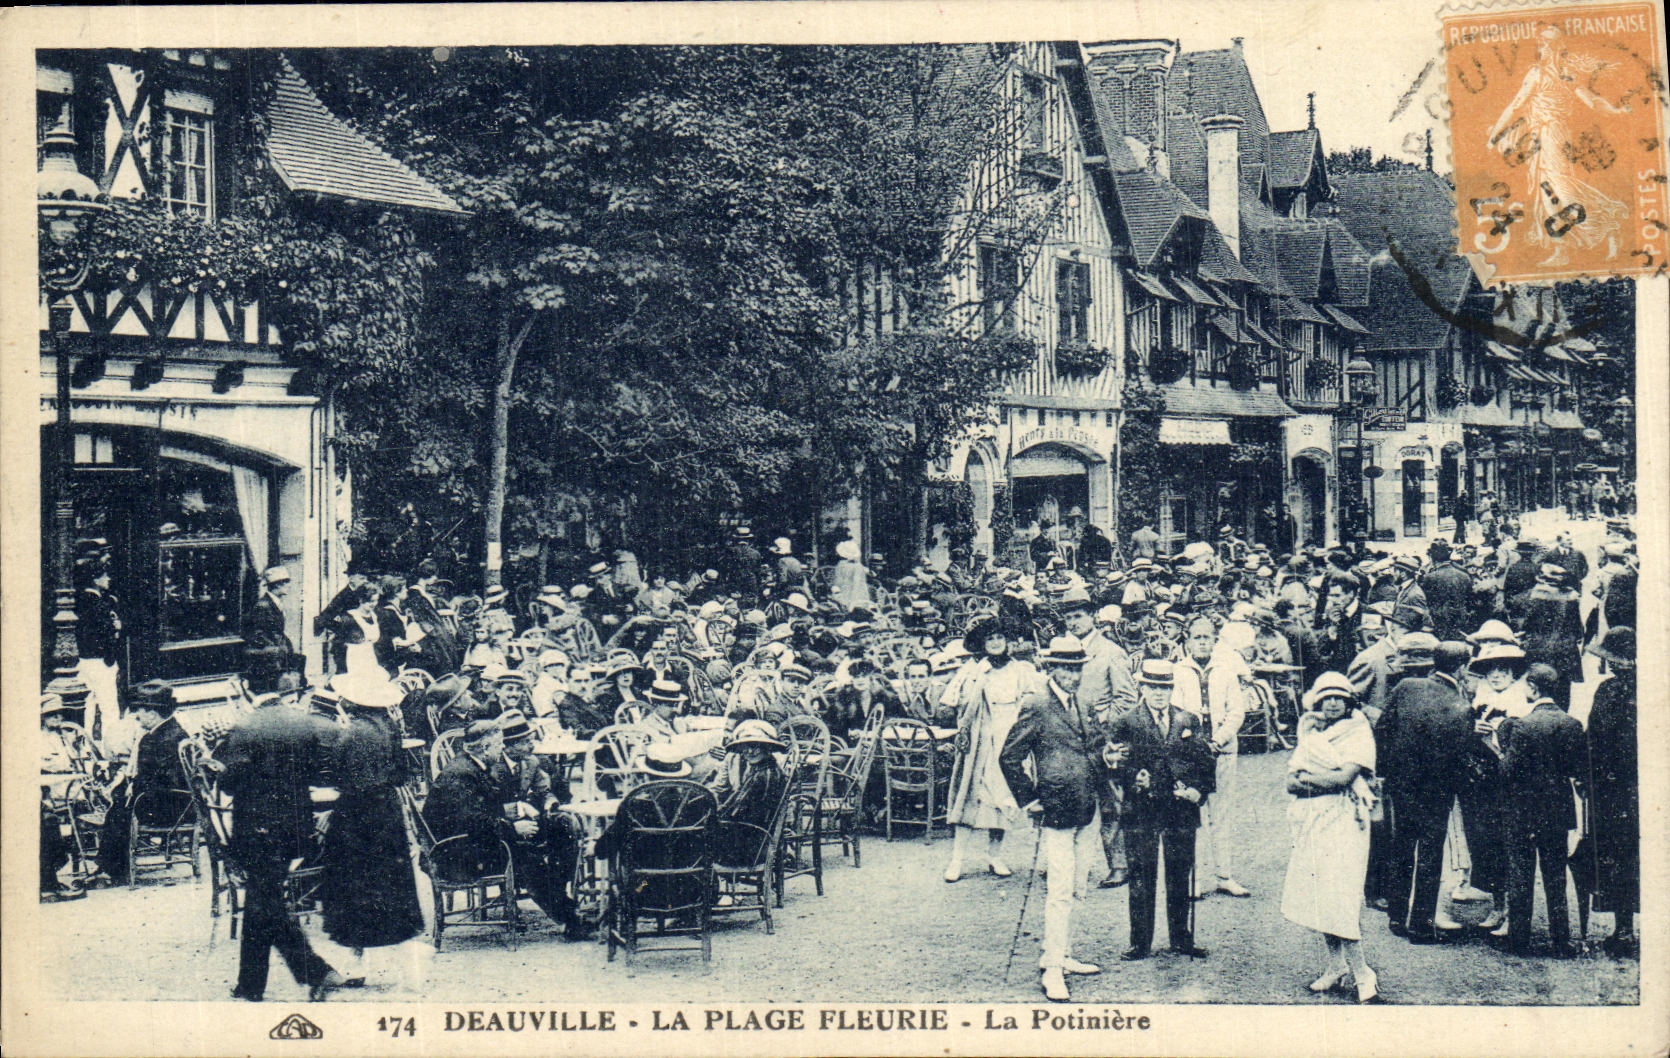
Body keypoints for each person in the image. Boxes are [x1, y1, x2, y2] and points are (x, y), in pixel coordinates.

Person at [218, 677, 353, 1002]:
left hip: (257, 830)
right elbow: (319, 768)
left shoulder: (245, 727)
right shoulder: (302, 721)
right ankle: (250, 985)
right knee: (261, 901)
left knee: (267, 903)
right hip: (294, 826)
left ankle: (317, 971)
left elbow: (229, 784)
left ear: (249, 690)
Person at [998, 636, 1106, 1002]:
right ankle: (1053, 970)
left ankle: (1061, 952)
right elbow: (1009, 758)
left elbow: (1093, 748)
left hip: (1087, 806)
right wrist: (1030, 801)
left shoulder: (1083, 702)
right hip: (1056, 810)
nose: (1073, 676)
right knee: (1059, 890)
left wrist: (1108, 759)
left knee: (1078, 885)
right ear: (1051, 668)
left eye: (1077, 669)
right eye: (1066, 669)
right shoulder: (1037, 704)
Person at [320, 673, 428, 990]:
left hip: (356, 816)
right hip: (387, 813)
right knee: (390, 886)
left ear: (353, 701)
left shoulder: (351, 732)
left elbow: (337, 774)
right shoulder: (389, 728)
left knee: (351, 886)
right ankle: (405, 959)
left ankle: (356, 962)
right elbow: (401, 772)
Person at [1281, 672, 1382, 1004]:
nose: (1333, 703)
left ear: (1349, 701)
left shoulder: (1359, 731)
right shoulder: (1310, 733)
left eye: (1339, 697)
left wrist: (1312, 778)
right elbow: (1291, 782)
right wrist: (1319, 779)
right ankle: (1336, 965)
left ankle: (1364, 972)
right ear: (1318, 702)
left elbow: (1345, 777)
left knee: (1341, 896)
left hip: (1347, 819)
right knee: (1321, 892)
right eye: (1326, 698)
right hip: (1315, 820)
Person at [1106, 660, 1215, 962]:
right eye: (1152, 687)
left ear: (1171, 689)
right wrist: (1133, 777)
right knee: (1142, 876)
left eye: (1164, 688)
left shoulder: (1187, 720)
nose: (1158, 694)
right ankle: (1140, 942)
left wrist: (1199, 790)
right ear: (1142, 688)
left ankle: (1181, 939)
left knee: (1180, 874)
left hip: (1180, 810)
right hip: (1142, 811)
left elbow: (1204, 762)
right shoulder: (1126, 721)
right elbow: (1114, 766)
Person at [1377, 635, 1472, 942]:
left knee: (1401, 847)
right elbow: (1460, 757)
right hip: (1437, 791)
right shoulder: (1460, 705)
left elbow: (1382, 729)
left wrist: (1388, 771)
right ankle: (1421, 924)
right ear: (1460, 668)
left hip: (1401, 784)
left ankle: (1396, 916)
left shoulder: (1406, 687)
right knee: (1430, 855)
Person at [1497, 663, 1584, 957]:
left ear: (1533, 688)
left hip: (1523, 812)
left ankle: (1519, 941)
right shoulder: (1572, 724)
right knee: (1556, 876)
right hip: (1558, 811)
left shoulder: (1523, 725)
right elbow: (1576, 769)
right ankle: (1561, 942)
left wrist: (1498, 747)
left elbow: (1507, 772)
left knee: (1520, 875)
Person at [944, 619, 1032, 881]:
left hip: (1011, 737)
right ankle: (956, 860)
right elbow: (950, 700)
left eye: (999, 637)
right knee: (972, 796)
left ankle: (995, 855)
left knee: (1004, 799)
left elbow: (1031, 700)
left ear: (1007, 641)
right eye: (989, 638)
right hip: (980, 739)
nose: (995, 642)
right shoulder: (973, 670)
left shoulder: (1021, 669)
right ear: (982, 643)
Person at [96, 679, 193, 885]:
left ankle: (110, 870)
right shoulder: (176, 731)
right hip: (182, 805)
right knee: (121, 803)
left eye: (139, 710)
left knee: (118, 809)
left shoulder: (154, 740)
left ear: (152, 712)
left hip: (167, 809)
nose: (137, 716)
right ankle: (112, 867)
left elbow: (149, 781)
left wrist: (124, 790)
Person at [1583, 627, 1637, 956]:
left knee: (1617, 856)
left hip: (1613, 790)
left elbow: (1593, 742)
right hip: (1642, 789)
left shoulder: (1608, 692)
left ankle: (1624, 929)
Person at [1199, 621, 1255, 898]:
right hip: (1192, 755)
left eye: (1207, 638)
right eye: (1196, 637)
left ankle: (1224, 875)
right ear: (1187, 640)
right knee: (1194, 814)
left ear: (1214, 640)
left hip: (1221, 751)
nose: (1201, 643)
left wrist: (1218, 739)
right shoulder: (1180, 670)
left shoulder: (1225, 670)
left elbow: (1237, 712)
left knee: (1221, 813)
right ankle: (1193, 878)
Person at [244, 565, 295, 656]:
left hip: (277, 656)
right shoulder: (263, 606)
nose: (289, 585)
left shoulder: (276, 603)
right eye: (286, 582)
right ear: (277, 584)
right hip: (269, 659)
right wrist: (276, 649)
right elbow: (259, 634)